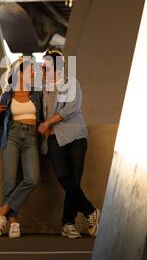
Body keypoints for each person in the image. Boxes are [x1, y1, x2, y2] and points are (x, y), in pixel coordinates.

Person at [38, 50, 100, 239]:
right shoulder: (44, 88)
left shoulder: (71, 83)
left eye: (45, 65)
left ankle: (68, 223)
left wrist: (48, 123)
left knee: (74, 178)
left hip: (76, 136)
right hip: (55, 137)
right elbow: (42, 112)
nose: (42, 68)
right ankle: (91, 212)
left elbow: (71, 108)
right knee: (63, 176)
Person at [0, 58, 42, 238]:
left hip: (31, 137)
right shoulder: (7, 94)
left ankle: (0, 212)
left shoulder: (37, 93)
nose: (34, 73)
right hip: (11, 135)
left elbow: (43, 115)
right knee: (10, 181)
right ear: (20, 73)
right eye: (30, 71)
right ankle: (13, 224)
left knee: (32, 178)